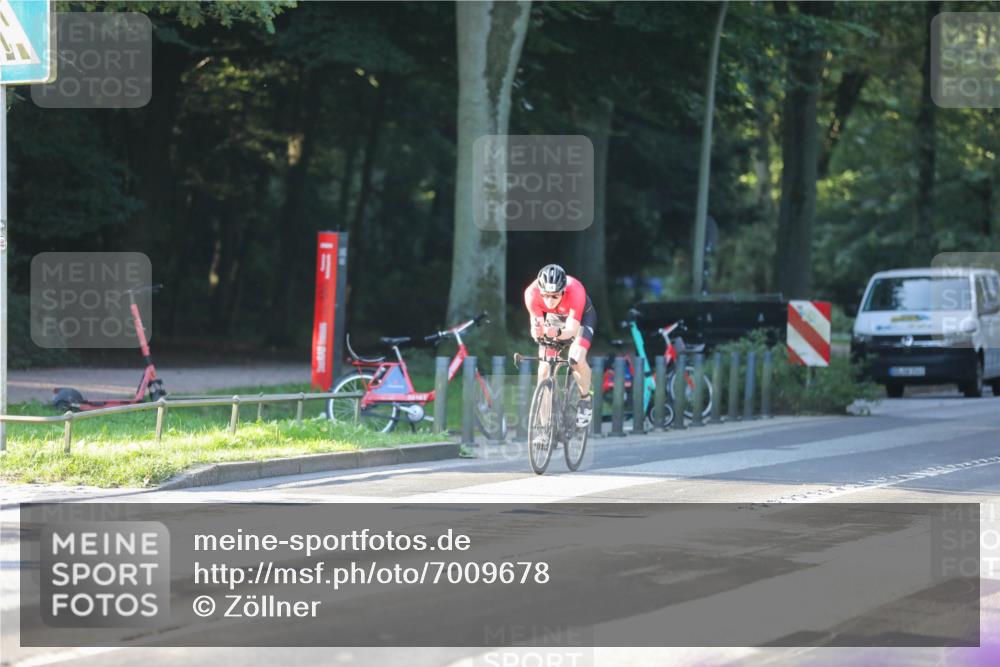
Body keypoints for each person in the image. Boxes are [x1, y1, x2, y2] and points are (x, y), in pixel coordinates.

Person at [524, 264, 597, 430]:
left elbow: (571, 331)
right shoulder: (531, 293)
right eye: (545, 296)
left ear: (563, 291)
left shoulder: (576, 290)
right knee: (544, 369)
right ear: (540, 291)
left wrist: (555, 332)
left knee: (576, 359)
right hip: (555, 318)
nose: (549, 301)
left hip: (581, 318)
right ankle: (544, 428)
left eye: (555, 296)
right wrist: (537, 332)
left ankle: (585, 399)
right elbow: (536, 326)